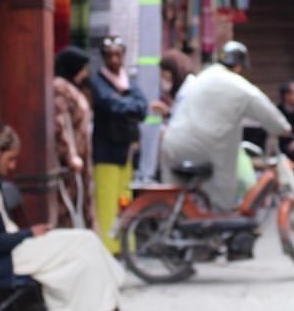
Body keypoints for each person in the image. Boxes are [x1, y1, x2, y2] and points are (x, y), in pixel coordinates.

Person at [0, 123, 123, 311]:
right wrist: (29, 233)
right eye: (10, 159)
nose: (13, 166)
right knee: (85, 245)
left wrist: (29, 234)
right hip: (11, 255)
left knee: (87, 249)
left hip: (18, 246)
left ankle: (108, 303)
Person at [161, 40, 291, 211]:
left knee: (173, 198)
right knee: (222, 194)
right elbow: (268, 113)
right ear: (238, 66)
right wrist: (283, 128)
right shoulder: (240, 86)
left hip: (172, 144)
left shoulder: (202, 77)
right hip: (204, 150)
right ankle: (220, 221)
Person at [88, 35, 148, 253]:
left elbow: (142, 106)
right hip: (106, 152)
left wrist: (124, 104)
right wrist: (127, 104)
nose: (114, 59)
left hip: (126, 151)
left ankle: (125, 245)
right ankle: (108, 248)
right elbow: (111, 105)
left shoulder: (128, 81)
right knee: (106, 201)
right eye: (110, 55)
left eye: (118, 55)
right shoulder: (97, 82)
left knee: (124, 200)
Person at [53, 45, 94, 230]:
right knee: (69, 207)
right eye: (82, 68)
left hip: (80, 155)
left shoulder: (72, 88)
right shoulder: (60, 88)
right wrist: (69, 155)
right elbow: (59, 123)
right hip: (70, 162)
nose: (85, 74)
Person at [150, 48, 196, 121]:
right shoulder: (185, 86)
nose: (163, 76)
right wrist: (167, 112)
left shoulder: (188, 88)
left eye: (164, 72)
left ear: (174, 70)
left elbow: (182, 120)